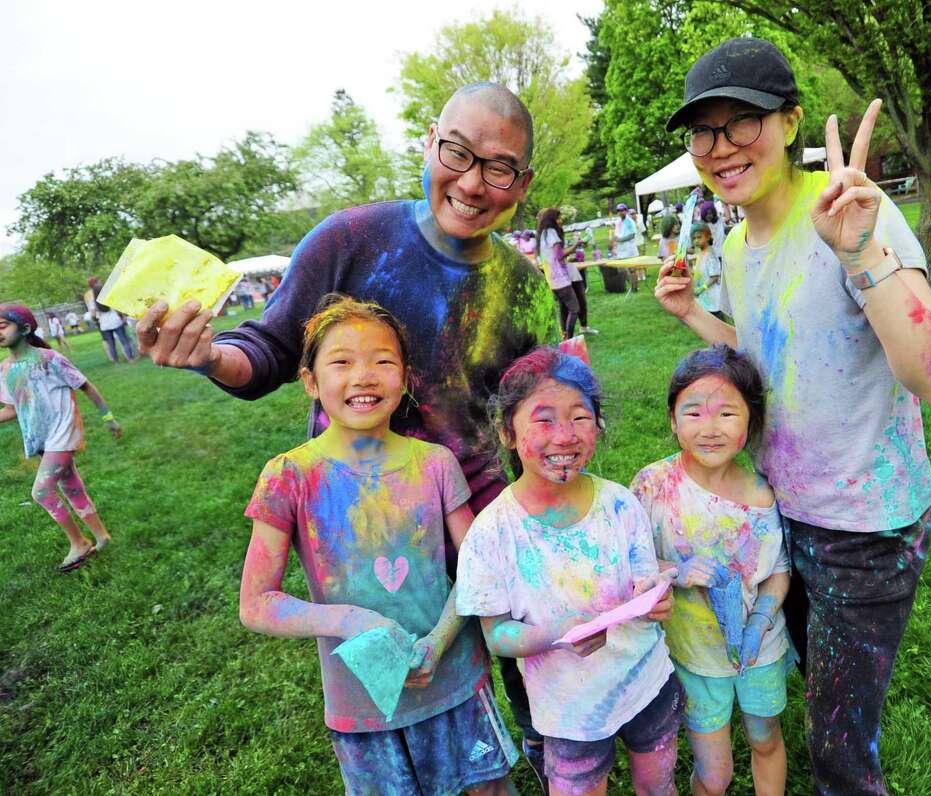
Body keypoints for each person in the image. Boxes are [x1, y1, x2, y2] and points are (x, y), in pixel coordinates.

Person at [135, 82, 559, 789]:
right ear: (429, 141)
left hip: (483, 530)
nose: (474, 181)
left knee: (525, 701)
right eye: (458, 152)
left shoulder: (526, 288)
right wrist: (209, 355)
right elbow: (268, 350)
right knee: (389, 719)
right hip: (369, 538)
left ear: (522, 184)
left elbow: (534, 417)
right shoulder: (351, 239)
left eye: (500, 167)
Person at [656, 37, 931, 794]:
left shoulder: (851, 211)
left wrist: (860, 252)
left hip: (866, 527)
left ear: (790, 123)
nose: (721, 147)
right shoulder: (733, 245)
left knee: (840, 753)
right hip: (782, 515)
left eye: (743, 123)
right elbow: (768, 354)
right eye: (705, 131)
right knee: (812, 695)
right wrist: (697, 315)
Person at [239, 295, 517, 795]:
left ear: (406, 376)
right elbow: (256, 604)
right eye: (341, 362)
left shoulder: (435, 463)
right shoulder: (288, 477)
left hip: (456, 680)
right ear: (310, 381)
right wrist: (350, 620)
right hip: (363, 702)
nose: (363, 376)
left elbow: (480, 567)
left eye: (382, 361)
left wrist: (441, 639)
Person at [455, 347, 680, 796]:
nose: (565, 436)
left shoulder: (619, 502)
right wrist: (557, 632)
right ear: (507, 432)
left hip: (647, 684)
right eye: (544, 420)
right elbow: (497, 635)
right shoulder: (491, 533)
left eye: (580, 418)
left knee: (658, 787)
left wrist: (654, 594)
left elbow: (642, 574)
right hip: (568, 709)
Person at [632, 345, 790, 796]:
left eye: (726, 413)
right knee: (714, 773)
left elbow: (777, 568)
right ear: (673, 420)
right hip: (694, 655)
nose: (710, 428)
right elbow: (630, 562)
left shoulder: (762, 495)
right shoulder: (652, 485)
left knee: (765, 738)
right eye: (694, 413)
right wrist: (675, 571)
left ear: (750, 421)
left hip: (762, 650)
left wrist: (761, 617)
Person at [0, 304, 121, 572]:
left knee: (41, 491)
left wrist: (108, 417)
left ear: (25, 328)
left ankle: (78, 542)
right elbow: (11, 409)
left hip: (63, 434)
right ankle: (102, 537)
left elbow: (85, 385)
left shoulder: (50, 359)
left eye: (3, 326)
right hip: (42, 439)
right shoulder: (5, 369)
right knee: (72, 488)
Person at [537, 208, 589, 340]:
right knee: (574, 309)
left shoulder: (543, 234)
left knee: (564, 308)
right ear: (552, 219)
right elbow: (559, 255)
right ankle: (569, 339)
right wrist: (575, 245)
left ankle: (565, 336)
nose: (560, 220)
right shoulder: (552, 232)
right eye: (558, 218)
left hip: (552, 277)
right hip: (559, 278)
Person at [692, 226, 725, 323]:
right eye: (694, 238)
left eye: (699, 237)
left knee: (718, 322)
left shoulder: (711, 254)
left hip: (712, 296)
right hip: (704, 297)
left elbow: (714, 277)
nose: (696, 240)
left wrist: (702, 288)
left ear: (707, 237)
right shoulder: (701, 253)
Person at [612, 203, 643, 293]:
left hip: (630, 249)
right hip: (621, 250)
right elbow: (616, 234)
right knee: (621, 269)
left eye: (622, 210)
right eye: (618, 211)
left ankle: (635, 288)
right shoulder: (617, 222)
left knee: (632, 269)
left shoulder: (630, 221)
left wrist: (621, 239)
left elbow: (632, 235)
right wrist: (615, 242)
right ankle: (632, 285)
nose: (620, 212)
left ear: (626, 211)